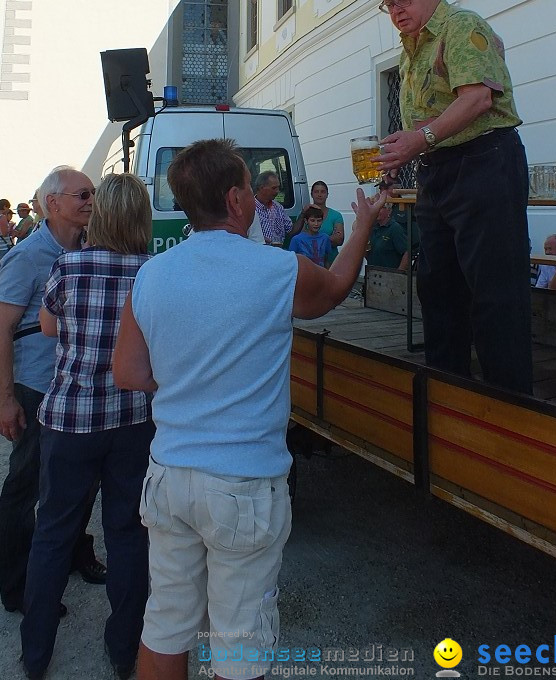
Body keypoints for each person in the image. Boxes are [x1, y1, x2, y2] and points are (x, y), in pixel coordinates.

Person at [112, 138, 386, 680]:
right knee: (239, 643)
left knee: (165, 625)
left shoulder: (152, 274)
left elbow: (128, 373)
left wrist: (186, 382)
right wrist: (362, 228)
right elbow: (332, 289)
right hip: (243, 482)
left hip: (169, 474)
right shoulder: (275, 269)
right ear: (237, 199)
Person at [376, 0, 533, 394]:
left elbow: (478, 99)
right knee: (438, 290)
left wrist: (419, 139)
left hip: (484, 161)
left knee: (495, 293)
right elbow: (428, 123)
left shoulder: (460, 26)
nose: (397, 11)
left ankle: (511, 409)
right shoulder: (412, 48)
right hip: (440, 170)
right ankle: (447, 400)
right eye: (389, 4)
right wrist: (400, 157)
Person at [20, 174, 154, 680]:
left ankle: (36, 654)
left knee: (53, 533)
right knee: (128, 533)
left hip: (72, 417)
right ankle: (123, 650)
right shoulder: (152, 272)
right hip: (133, 420)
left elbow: (50, 328)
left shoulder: (69, 266)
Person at [0, 166, 106, 615]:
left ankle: (78, 554)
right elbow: (0, 334)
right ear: (52, 203)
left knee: (80, 479)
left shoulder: (89, 248)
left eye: (92, 193)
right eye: (82, 194)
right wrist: (4, 399)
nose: (91, 200)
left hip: (78, 385)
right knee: (27, 485)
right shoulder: (27, 257)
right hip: (38, 388)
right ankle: (19, 589)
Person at [366, 184, 417, 272]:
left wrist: (399, 272)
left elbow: (407, 252)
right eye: (375, 207)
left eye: (381, 207)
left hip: (389, 276)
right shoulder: (372, 227)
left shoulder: (394, 228)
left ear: (389, 210)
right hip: (372, 274)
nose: (377, 210)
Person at [290, 181, 344, 262]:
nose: (319, 194)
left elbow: (339, 239)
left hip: (331, 262)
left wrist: (316, 239)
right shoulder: (304, 214)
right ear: (311, 194)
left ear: (327, 195)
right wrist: (325, 239)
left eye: (323, 192)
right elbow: (297, 236)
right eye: (316, 192)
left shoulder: (336, 215)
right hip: (307, 264)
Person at [253, 171, 292, 245]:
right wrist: (259, 239)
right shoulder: (250, 208)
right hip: (259, 252)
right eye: (274, 188)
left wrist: (303, 215)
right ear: (261, 188)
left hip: (278, 252)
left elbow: (290, 230)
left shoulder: (278, 207)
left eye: (278, 187)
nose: (277, 191)